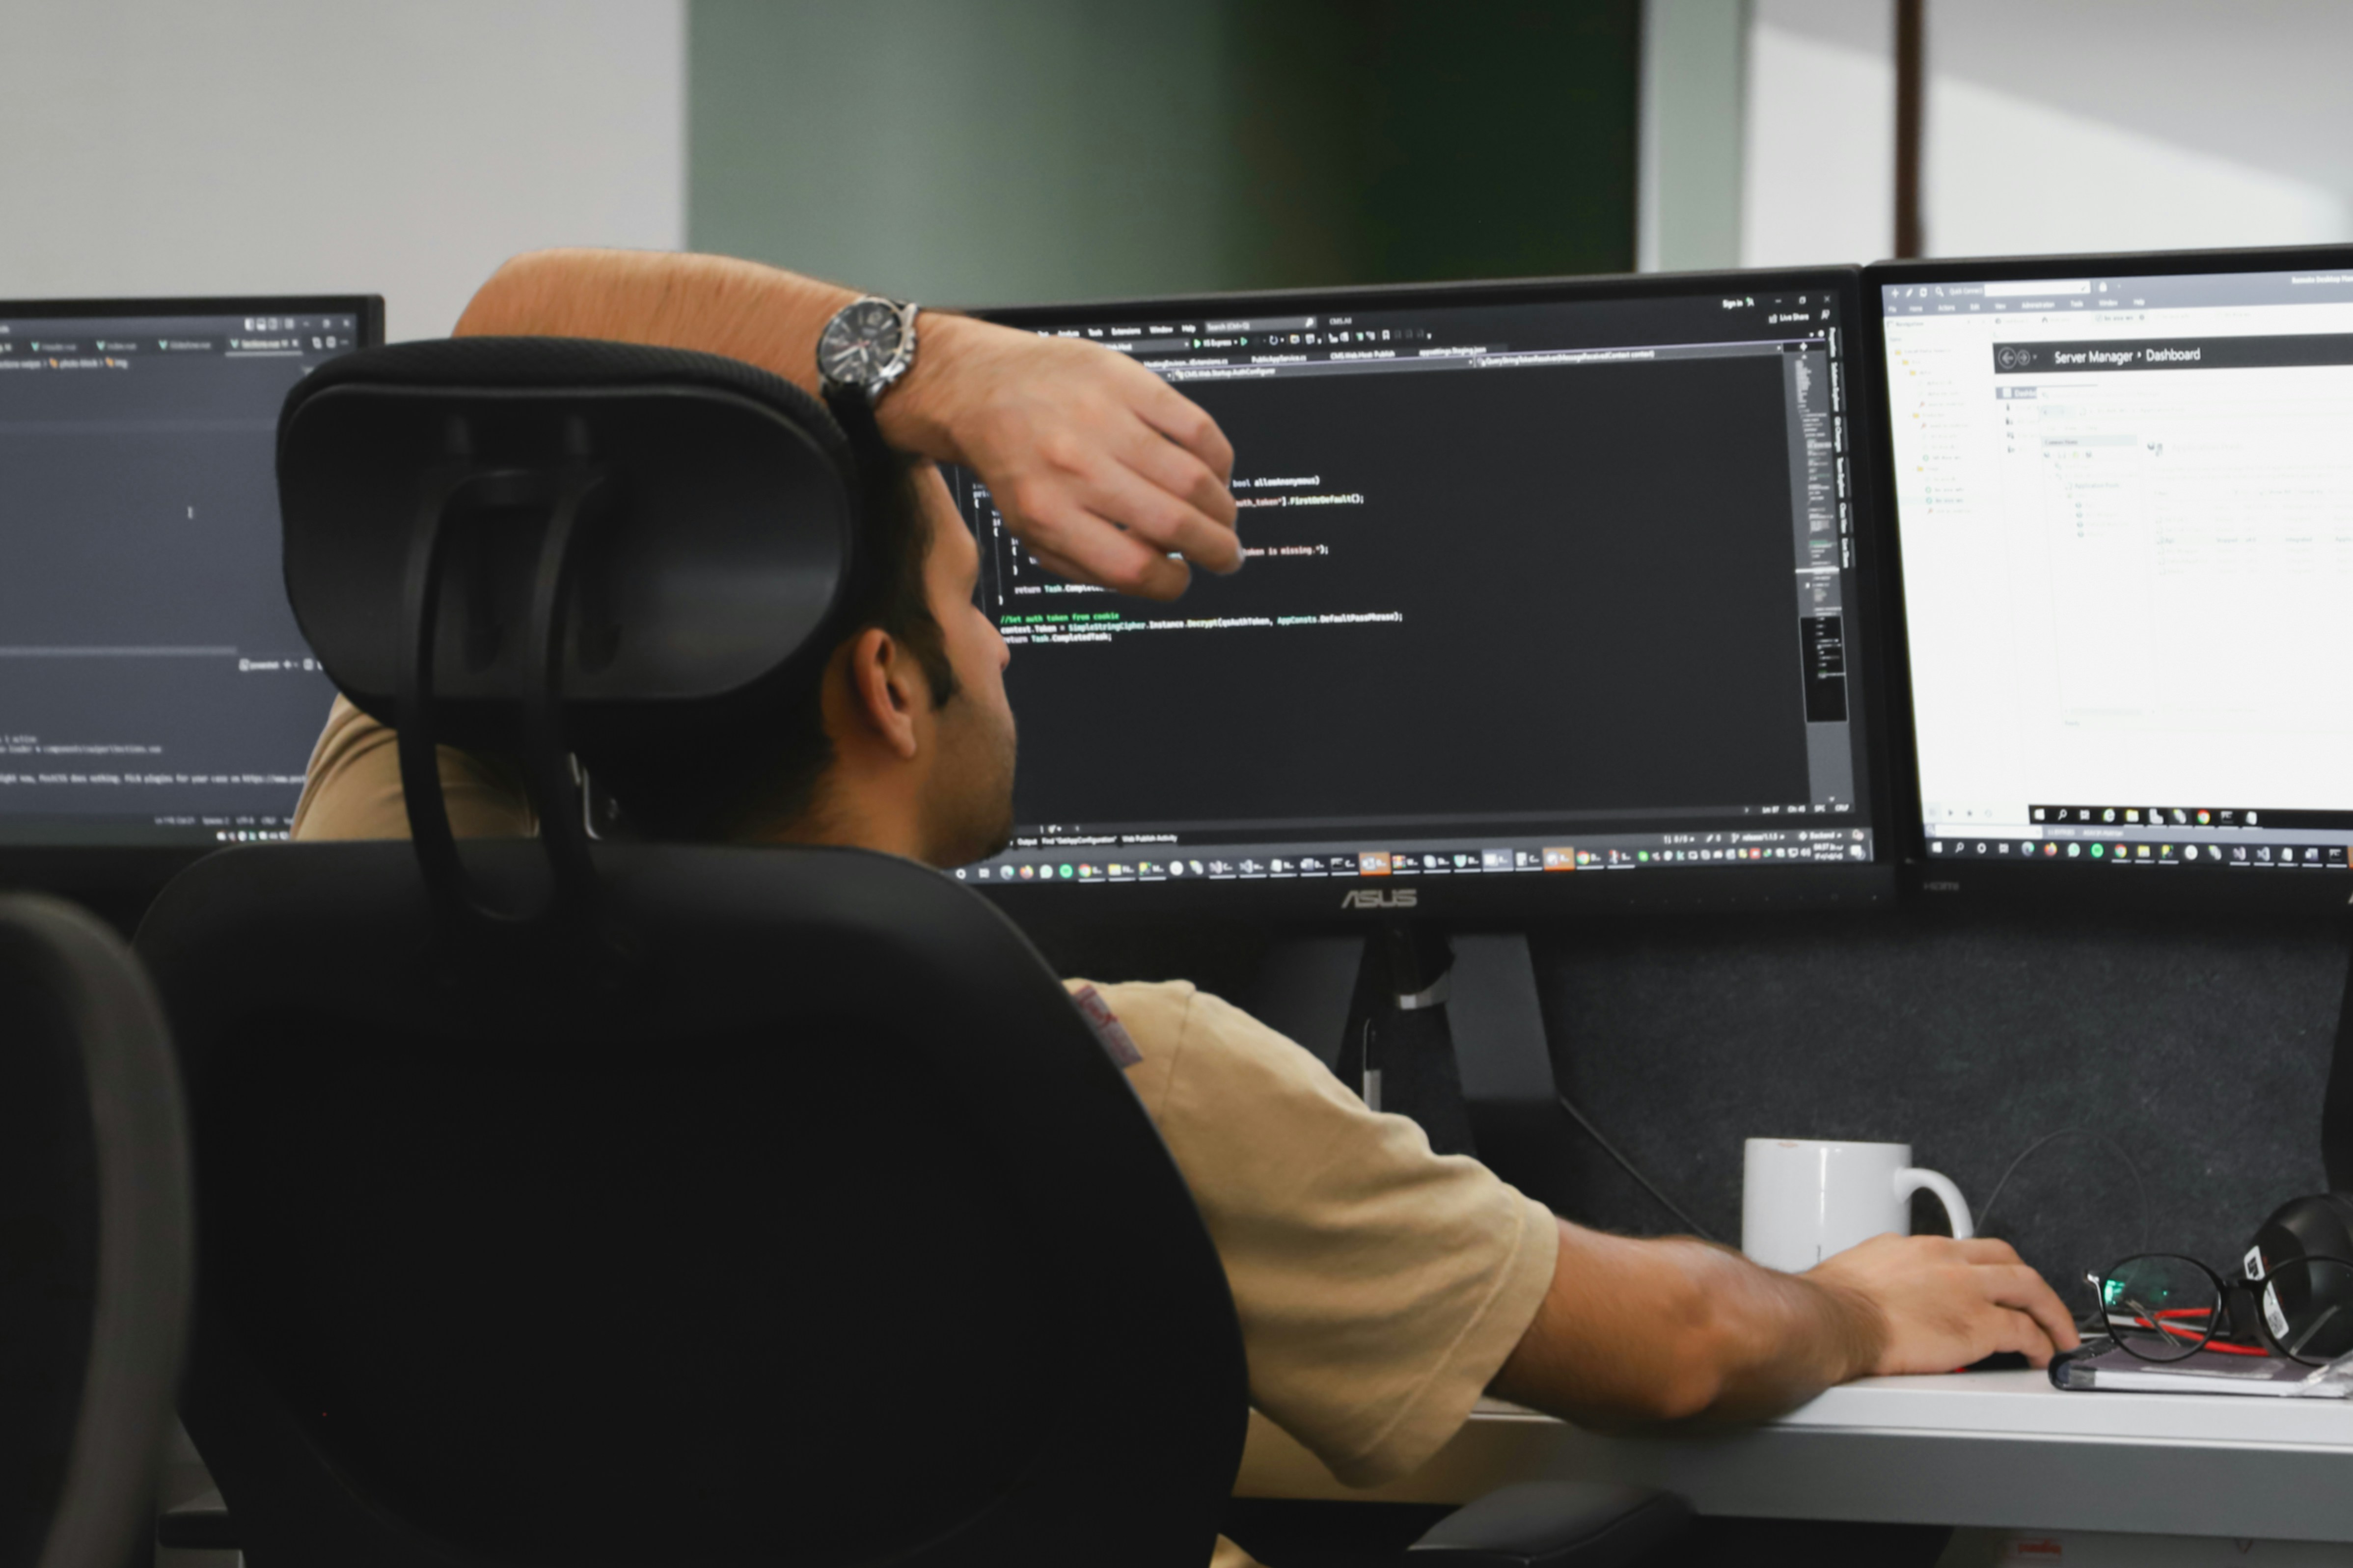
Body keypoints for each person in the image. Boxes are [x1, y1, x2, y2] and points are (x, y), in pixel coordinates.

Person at [293, 249, 2079, 1568]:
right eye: (976, 601)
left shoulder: (369, 894)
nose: (1006, 647)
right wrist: (1844, 1310)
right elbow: (1683, 1352)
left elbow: (512, 331)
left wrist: (945, 375)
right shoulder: (1096, 1068)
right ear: (890, 693)